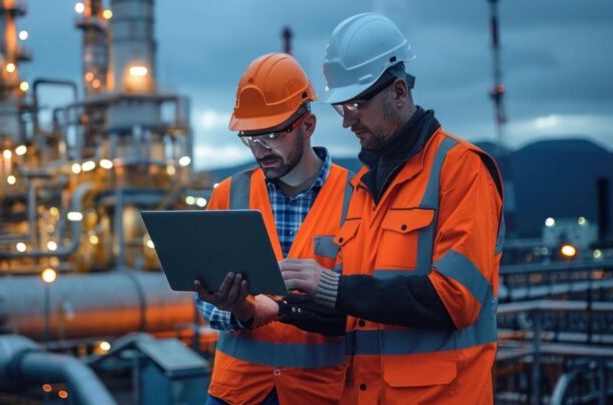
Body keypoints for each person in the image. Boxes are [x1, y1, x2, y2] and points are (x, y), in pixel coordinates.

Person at [280, 13, 504, 404]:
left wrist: (332, 286)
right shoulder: (362, 186)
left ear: (399, 92)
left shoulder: (461, 169)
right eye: (340, 107)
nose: (347, 120)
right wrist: (276, 305)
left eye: (355, 104)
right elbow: (355, 309)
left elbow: (456, 298)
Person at [194, 52, 354, 405]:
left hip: (320, 394)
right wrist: (237, 309)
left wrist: (283, 309)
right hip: (236, 393)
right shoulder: (228, 194)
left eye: (270, 134)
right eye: (250, 137)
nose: (259, 148)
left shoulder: (355, 197)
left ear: (308, 125)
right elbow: (202, 298)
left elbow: (361, 305)